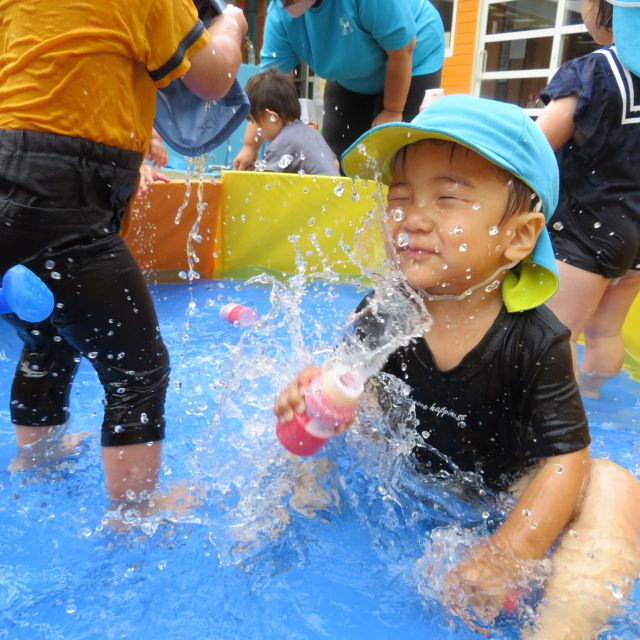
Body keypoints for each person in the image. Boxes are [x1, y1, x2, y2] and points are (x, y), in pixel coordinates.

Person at [274, 95, 640, 639]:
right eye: (399, 199)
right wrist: (305, 404)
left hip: (504, 494)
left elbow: (566, 460)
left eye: (447, 197)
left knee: (613, 487)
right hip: (413, 477)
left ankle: (560, 631)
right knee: (311, 460)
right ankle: (297, 524)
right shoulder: (384, 311)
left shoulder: (537, 340)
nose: (412, 219)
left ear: (518, 236)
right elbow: (341, 392)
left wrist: (508, 552)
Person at [0, 1, 247, 501]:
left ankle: (35, 459)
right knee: (137, 366)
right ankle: (135, 510)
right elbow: (214, 78)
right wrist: (233, 24)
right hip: (65, 200)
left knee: (46, 337)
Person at [536, 0, 640, 399]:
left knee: (557, 331)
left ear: (605, 10)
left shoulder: (596, 70)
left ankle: (557, 410)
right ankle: (592, 393)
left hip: (587, 230)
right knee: (606, 330)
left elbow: (539, 142)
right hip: (634, 235)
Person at [233, 0, 445, 170]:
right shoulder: (280, 16)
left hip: (412, 59)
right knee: (338, 158)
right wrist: (250, 146)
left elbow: (402, 50)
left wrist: (392, 110)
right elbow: (267, 91)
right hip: (349, 71)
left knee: (398, 159)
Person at [244, 68, 339, 175]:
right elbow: (335, 164)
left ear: (272, 117)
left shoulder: (281, 143)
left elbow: (265, 182)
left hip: (317, 191)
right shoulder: (310, 133)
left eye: (254, 122)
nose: (256, 130)